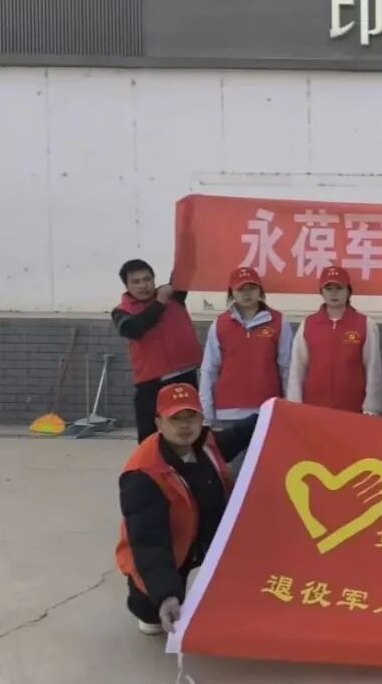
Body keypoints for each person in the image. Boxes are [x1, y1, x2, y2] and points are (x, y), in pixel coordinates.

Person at [115, 384, 257, 635]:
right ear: (159, 423)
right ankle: (150, 601)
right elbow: (148, 542)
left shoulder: (205, 444)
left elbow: (235, 436)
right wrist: (166, 594)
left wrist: (271, 413)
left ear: (202, 420)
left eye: (191, 417)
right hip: (174, 545)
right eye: (175, 418)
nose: (184, 426)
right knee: (153, 613)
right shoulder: (142, 475)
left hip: (210, 534)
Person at [112, 259, 202, 442]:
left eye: (147, 279)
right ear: (127, 286)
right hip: (152, 385)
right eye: (136, 282)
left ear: (154, 279)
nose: (143, 285)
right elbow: (134, 329)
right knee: (150, 438)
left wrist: (187, 244)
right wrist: (159, 303)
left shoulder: (174, 297)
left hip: (186, 378)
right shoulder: (122, 312)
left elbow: (186, 268)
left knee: (189, 433)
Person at [200, 267, 292, 429]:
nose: (246, 293)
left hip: (267, 410)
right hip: (227, 412)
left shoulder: (278, 322)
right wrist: (207, 414)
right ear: (232, 293)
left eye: (251, 288)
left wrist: (289, 406)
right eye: (240, 289)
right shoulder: (220, 324)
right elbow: (209, 370)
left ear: (260, 290)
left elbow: (287, 368)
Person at [287, 265, 382, 415]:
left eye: (339, 288)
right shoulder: (308, 324)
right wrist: (294, 404)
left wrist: (371, 407)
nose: (333, 293)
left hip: (352, 407)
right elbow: (297, 367)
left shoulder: (365, 324)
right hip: (313, 406)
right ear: (322, 292)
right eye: (328, 288)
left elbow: (373, 368)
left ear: (348, 291)